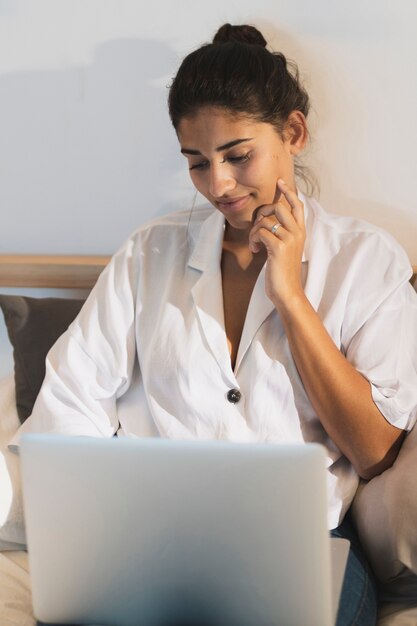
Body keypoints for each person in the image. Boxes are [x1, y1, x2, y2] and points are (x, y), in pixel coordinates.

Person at [16, 23, 417, 626]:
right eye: (197, 163)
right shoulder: (149, 255)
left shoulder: (366, 258)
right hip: (150, 538)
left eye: (238, 156)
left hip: (300, 544)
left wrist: (290, 297)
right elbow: (67, 409)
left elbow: (378, 449)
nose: (217, 186)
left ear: (294, 132)